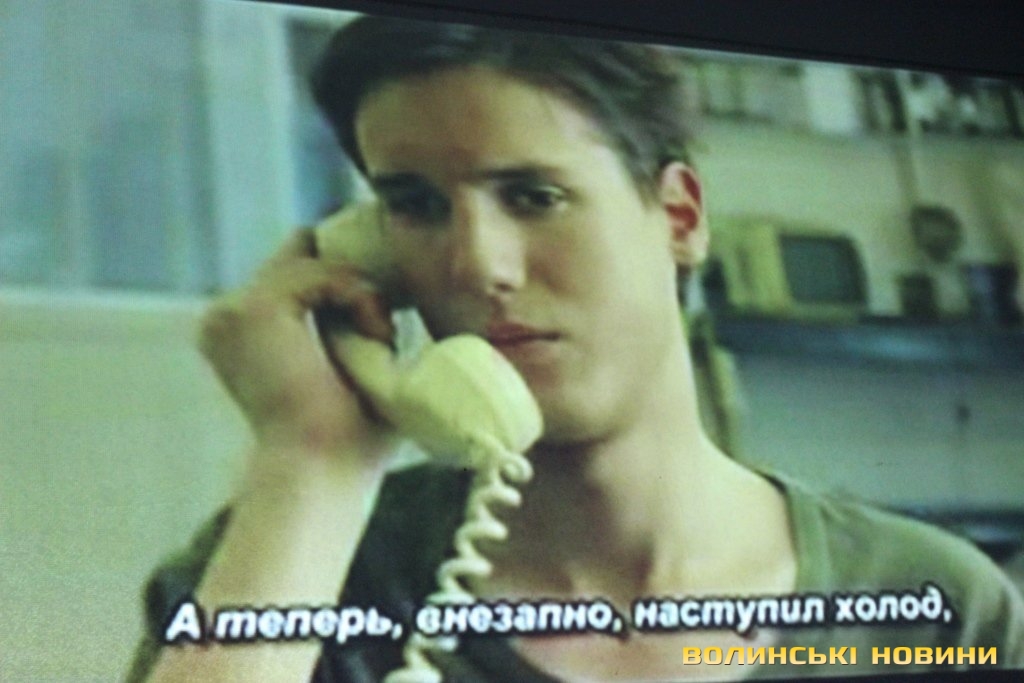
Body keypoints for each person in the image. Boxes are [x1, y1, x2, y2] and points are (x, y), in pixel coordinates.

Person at [129, 15, 1024, 682]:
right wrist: (309, 460)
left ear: (679, 217)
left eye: (534, 196)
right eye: (417, 206)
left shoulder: (933, 604)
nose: (479, 265)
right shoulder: (291, 567)